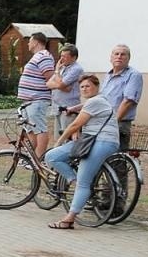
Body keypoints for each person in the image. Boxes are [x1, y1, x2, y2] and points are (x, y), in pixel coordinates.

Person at [43, 74, 120, 231]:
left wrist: (59, 141)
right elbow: (82, 120)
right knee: (52, 156)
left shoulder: (95, 101)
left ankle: (69, 219)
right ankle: (73, 180)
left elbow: (76, 124)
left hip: (102, 142)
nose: (85, 89)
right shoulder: (96, 101)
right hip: (90, 140)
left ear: (96, 87)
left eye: (88, 86)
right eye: (82, 87)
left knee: (84, 182)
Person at [17, 34, 55, 162]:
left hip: (37, 99)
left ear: (36, 42)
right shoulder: (38, 56)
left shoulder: (44, 56)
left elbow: (50, 77)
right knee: (31, 130)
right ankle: (32, 158)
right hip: (29, 101)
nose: (28, 44)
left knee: (40, 129)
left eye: (30, 41)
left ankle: (39, 159)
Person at [100, 44, 143, 153]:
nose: (119, 57)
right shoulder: (108, 75)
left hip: (119, 122)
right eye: (116, 54)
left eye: (123, 54)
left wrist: (113, 122)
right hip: (103, 120)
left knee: (117, 157)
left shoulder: (133, 75)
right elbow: (101, 97)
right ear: (111, 58)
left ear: (128, 58)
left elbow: (128, 101)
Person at [46, 44, 83, 135]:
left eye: (65, 56)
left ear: (74, 57)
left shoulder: (76, 69)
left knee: (67, 137)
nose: (61, 59)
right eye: (61, 56)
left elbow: (62, 85)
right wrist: (60, 85)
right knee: (58, 137)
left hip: (69, 108)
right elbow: (48, 84)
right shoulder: (63, 68)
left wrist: (57, 72)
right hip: (57, 107)